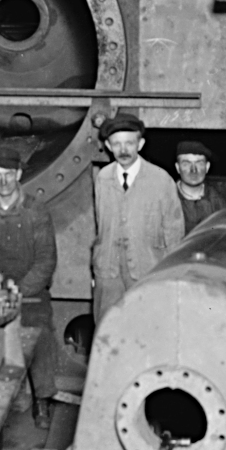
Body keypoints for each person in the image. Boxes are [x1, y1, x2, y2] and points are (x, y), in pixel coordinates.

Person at [0, 138, 62, 432]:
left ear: (19, 174)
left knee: (40, 336)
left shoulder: (36, 211)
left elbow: (46, 260)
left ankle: (43, 398)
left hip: (29, 294)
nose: (3, 180)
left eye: (9, 173)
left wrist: (21, 289)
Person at [87, 111, 185, 327]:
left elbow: (174, 232)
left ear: (140, 144)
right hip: (109, 273)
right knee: (108, 329)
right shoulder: (103, 178)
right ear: (108, 146)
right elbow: (101, 226)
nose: (123, 150)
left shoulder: (160, 179)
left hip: (147, 269)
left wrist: (168, 272)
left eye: (129, 143)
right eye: (117, 144)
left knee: (146, 329)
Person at [172, 138, 226, 232]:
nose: (193, 170)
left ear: (207, 167)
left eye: (199, 163)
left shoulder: (218, 202)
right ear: (178, 168)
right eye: (186, 163)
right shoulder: (168, 199)